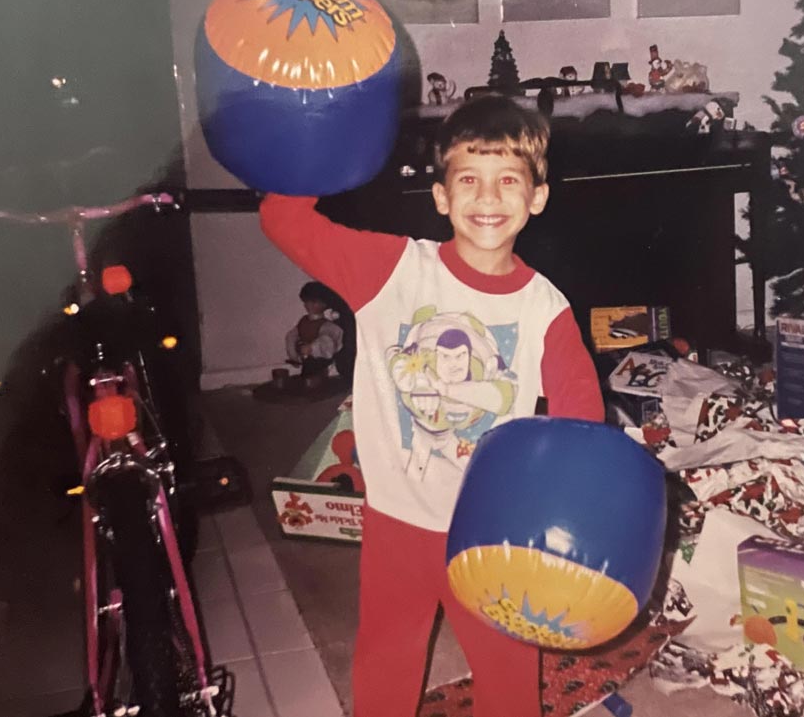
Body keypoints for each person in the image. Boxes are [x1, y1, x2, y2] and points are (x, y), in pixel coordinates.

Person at [259, 95, 604, 717]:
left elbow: (584, 419)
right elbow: (283, 220)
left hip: (492, 528)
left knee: (508, 667)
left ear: (538, 197)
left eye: (508, 181)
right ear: (441, 197)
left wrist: (563, 516)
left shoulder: (543, 306)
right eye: (468, 180)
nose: (488, 198)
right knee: (387, 657)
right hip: (398, 514)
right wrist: (323, 137)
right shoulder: (392, 269)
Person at [284, 281, 345, 384]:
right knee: (306, 375)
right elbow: (292, 336)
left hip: (320, 361)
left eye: (314, 302)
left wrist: (312, 348)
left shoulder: (327, 325)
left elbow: (327, 342)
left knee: (315, 374)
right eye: (307, 302)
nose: (309, 305)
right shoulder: (303, 321)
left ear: (324, 304)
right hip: (306, 358)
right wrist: (294, 355)